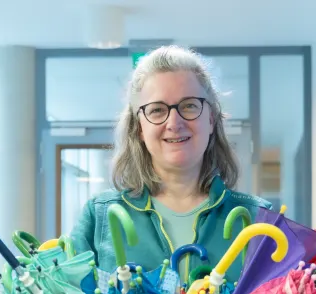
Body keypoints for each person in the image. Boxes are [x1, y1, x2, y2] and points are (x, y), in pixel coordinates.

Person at [70, 45, 272, 281]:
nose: (174, 123)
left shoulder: (258, 218)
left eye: (189, 106)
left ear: (210, 118)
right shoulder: (100, 216)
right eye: (157, 110)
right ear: (139, 129)